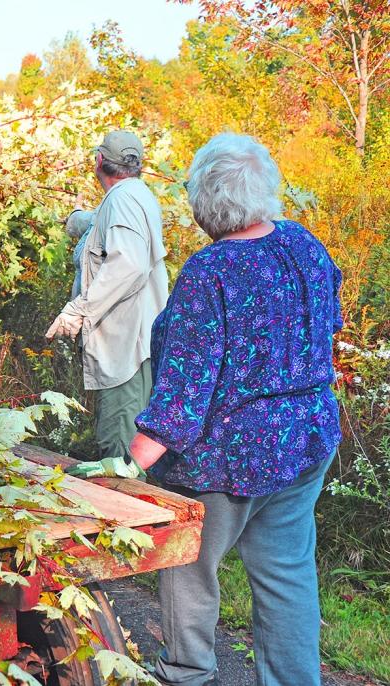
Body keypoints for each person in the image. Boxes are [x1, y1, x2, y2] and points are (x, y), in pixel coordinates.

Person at [128, 133, 343, 686]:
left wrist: (132, 462)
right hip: (306, 443)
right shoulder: (304, 245)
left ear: (204, 203)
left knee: (188, 566)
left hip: (229, 461)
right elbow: (326, 327)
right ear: (265, 190)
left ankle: (188, 674)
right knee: (287, 572)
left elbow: (184, 388)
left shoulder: (211, 271)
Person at [45, 130, 168, 468]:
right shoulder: (134, 194)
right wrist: (84, 221)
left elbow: (127, 263)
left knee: (119, 456)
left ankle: (126, 521)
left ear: (99, 161)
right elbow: (120, 234)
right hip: (130, 345)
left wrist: (78, 311)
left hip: (125, 350)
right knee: (123, 454)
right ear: (138, 166)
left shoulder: (123, 200)